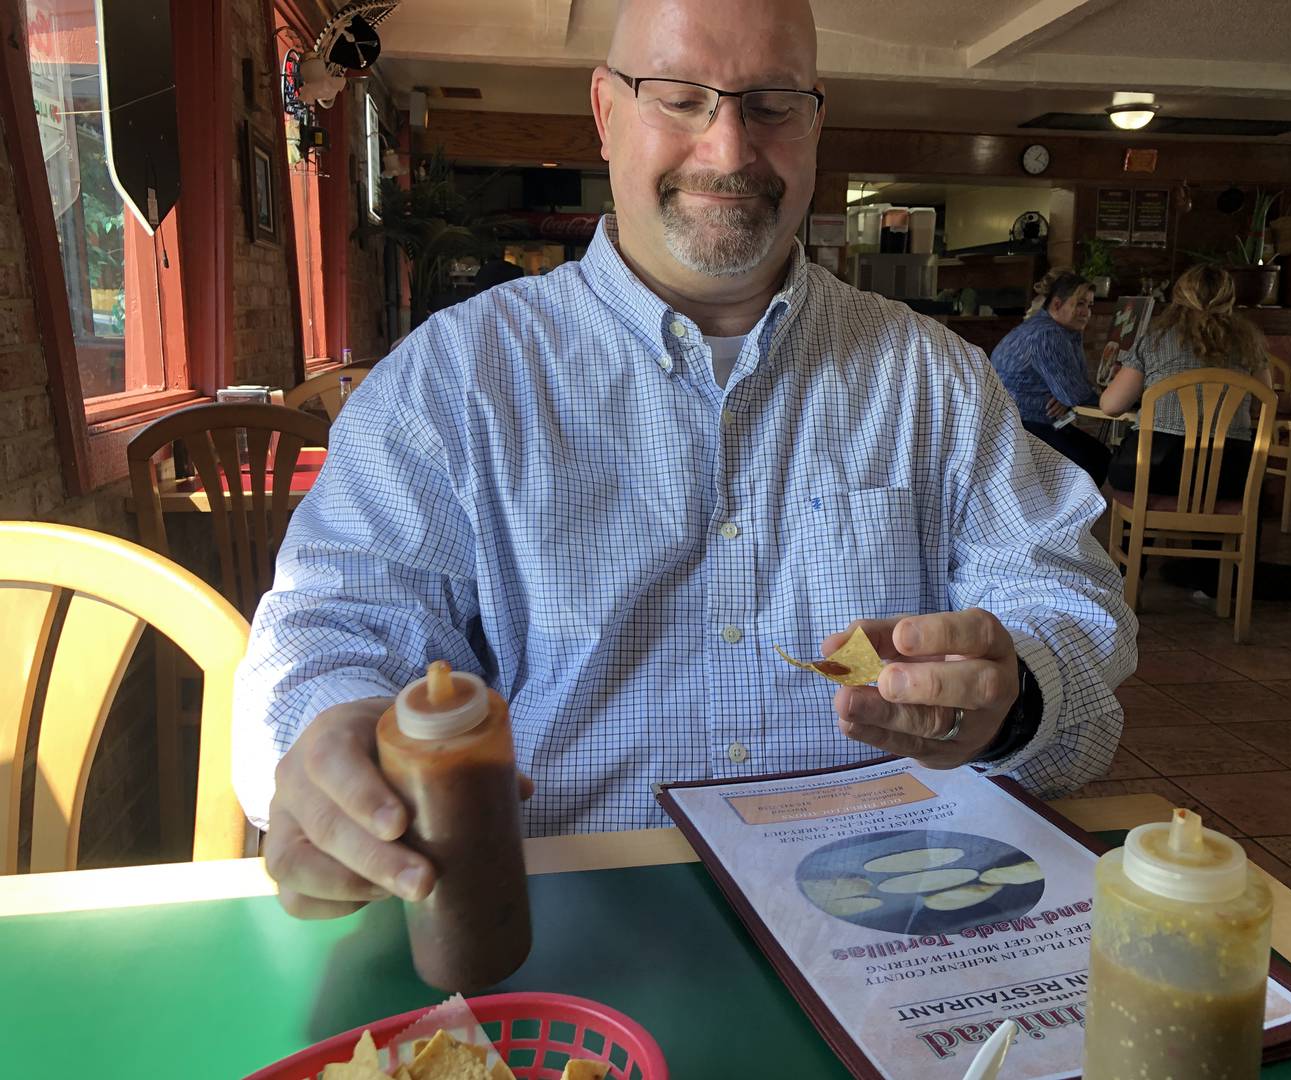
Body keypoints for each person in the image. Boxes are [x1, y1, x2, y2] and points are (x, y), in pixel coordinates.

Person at [237, 0, 1137, 921]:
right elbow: (332, 626)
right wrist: (330, 735)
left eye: (774, 104)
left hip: (896, 917)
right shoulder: (450, 381)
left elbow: (1069, 605)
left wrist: (1011, 696)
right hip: (562, 929)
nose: (730, 149)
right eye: (679, 97)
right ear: (604, 111)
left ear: (818, 121)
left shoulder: (935, 379)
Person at [1100, 263, 1265, 500]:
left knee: (1121, 467)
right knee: (1245, 485)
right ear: (1229, 300)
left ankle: (1137, 537)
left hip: (1153, 467)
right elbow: (1263, 400)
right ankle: (1215, 535)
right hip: (1229, 473)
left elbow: (1111, 406)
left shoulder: (1153, 342)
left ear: (1178, 297)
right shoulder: (1250, 345)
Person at [989, 270, 1111, 487]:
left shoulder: (1061, 331)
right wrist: (1080, 395)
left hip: (1028, 423)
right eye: (1080, 304)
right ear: (1056, 305)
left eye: (1090, 305)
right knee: (1096, 461)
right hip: (1020, 428)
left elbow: (1075, 386)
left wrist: (1067, 395)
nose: (1087, 312)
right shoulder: (1047, 334)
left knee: (1098, 456)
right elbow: (1077, 392)